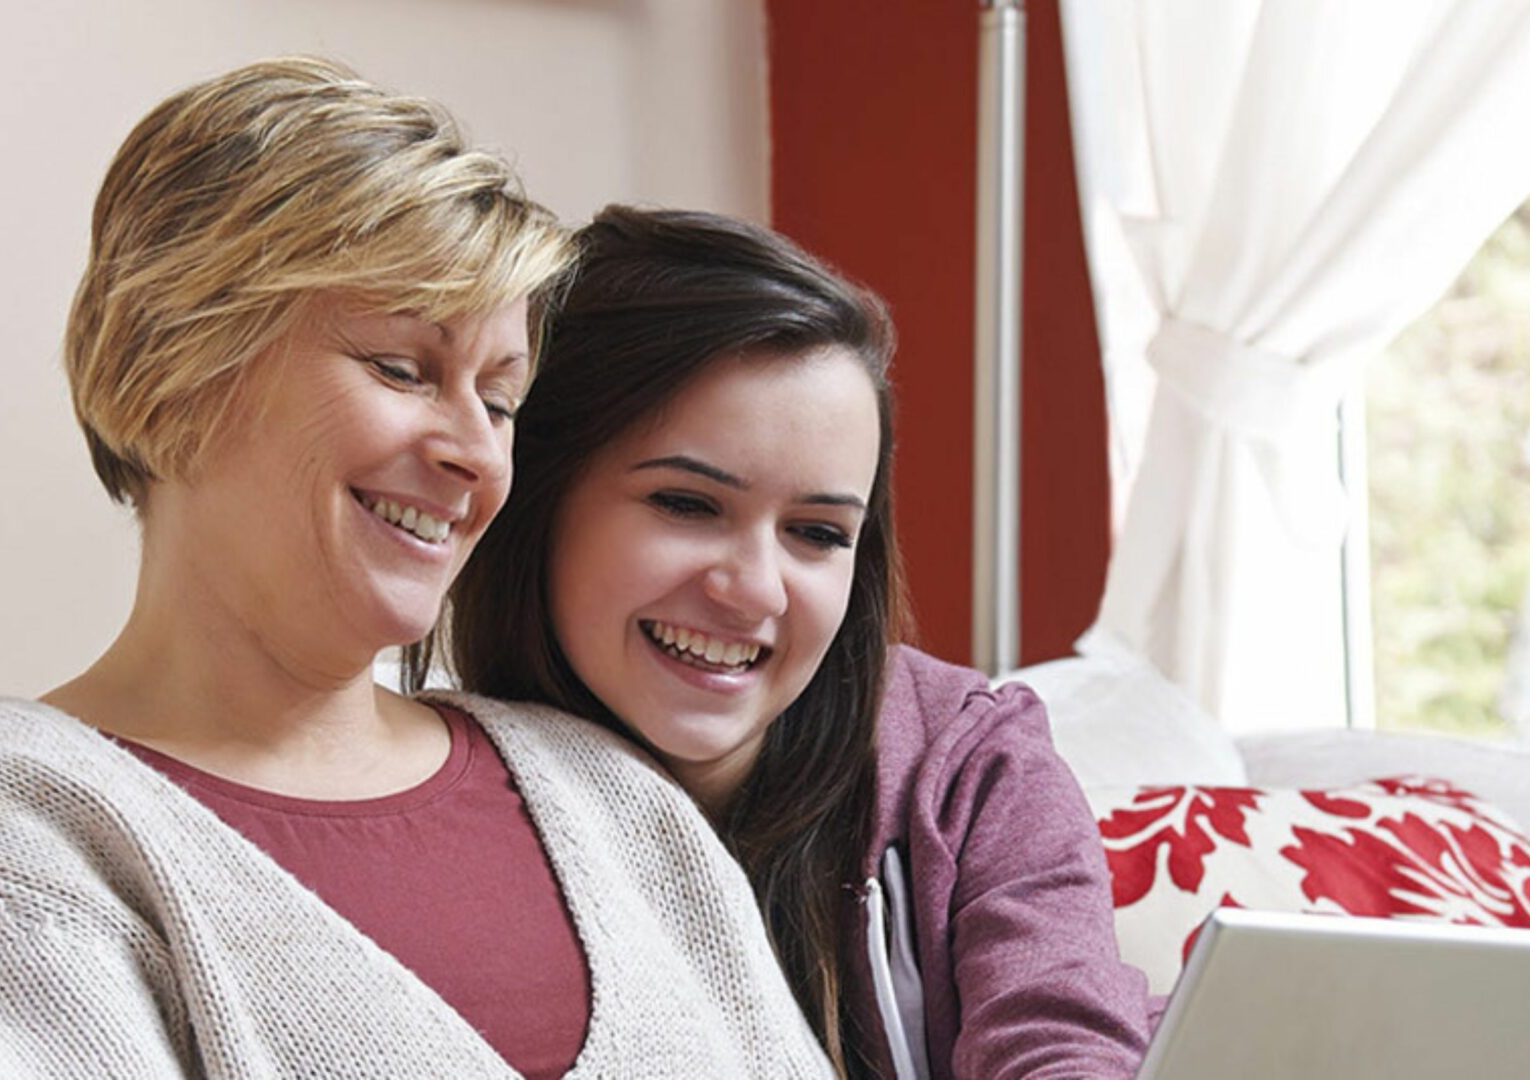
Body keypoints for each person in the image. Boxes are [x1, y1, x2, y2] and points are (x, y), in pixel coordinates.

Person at [0, 61, 832, 1079]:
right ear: (177, 372)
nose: (475, 452)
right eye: (403, 369)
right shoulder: (14, 830)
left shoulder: (612, 798)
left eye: (500, 401)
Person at [432, 206, 1154, 1078]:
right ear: (538, 500)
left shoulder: (966, 768)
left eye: (817, 532)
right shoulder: (426, 792)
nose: (755, 589)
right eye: (687, 505)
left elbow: (1066, 1045)